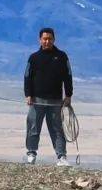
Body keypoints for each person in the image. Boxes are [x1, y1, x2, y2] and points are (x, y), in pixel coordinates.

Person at [24, 27, 73, 166]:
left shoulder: (62, 57)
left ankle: (61, 157)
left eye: (50, 39)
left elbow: (68, 76)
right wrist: (28, 94)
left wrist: (68, 95)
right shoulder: (33, 58)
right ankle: (31, 153)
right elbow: (27, 77)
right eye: (44, 39)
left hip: (56, 101)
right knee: (33, 127)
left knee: (57, 129)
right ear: (40, 40)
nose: (47, 41)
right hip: (37, 100)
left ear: (54, 39)